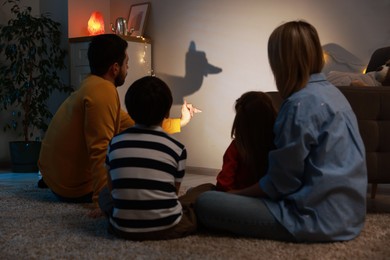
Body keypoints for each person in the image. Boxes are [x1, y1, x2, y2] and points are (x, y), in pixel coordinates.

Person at [195, 20, 367, 242]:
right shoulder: (334, 95)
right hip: (351, 216)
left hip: (315, 220)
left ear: (281, 62)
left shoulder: (298, 104)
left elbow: (280, 184)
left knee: (206, 202)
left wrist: (234, 195)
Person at [38, 34, 200, 217]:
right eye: (126, 63)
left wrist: (180, 121)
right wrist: (100, 201)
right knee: (138, 186)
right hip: (70, 186)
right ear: (115, 68)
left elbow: (138, 123)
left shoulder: (93, 85)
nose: (127, 68)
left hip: (55, 178)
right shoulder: (102, 92)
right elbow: (99, 148)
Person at [99, 76, 196, 240]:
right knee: (200, 195)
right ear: (167, 112)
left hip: (121, 228)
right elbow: (173, 193)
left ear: (128, 111)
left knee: (104, 194)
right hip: (166, 228)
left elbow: (112, 187)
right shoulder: (177, 149)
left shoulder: (114, 143)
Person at [216, 91, 277, 192]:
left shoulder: (237, 147)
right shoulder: (279, 143)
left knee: (204, 196)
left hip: (239, 199)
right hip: (270, 199)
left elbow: (223, 185)